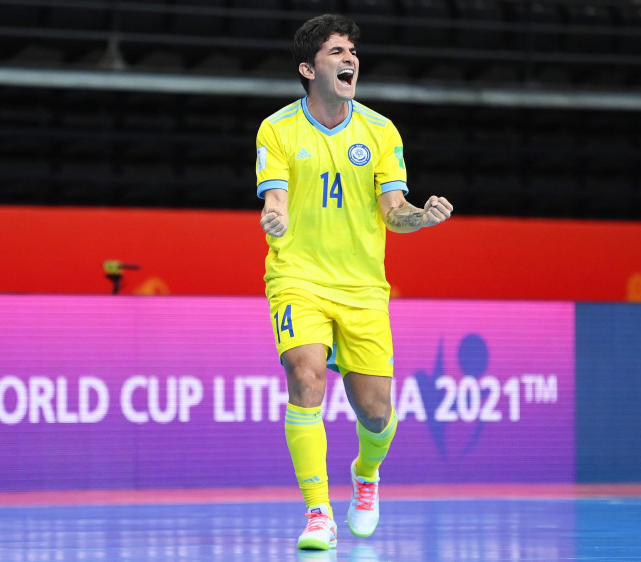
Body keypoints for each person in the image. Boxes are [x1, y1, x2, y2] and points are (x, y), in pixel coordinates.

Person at [255, 13, 453, 551]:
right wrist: (275, 218)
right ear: (308, 69)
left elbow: (394, 211)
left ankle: (366, 475)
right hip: (297, 276)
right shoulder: (277, 129)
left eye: (353, 53)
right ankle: (318, 512)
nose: (350, 60)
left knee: (375, 412)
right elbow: (275, 199)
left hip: (363, 286)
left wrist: (421, 217)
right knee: (305, 377)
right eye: (336, 52)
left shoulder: (380, 131)